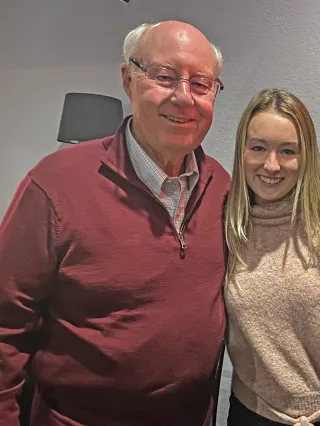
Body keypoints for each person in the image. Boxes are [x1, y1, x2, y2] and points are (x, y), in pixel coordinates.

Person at [0, 20, 230, 426]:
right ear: (128, 79)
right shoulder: (54, 185)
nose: (183, 98)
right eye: (164, 76)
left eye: (200, 83)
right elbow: (5, 327)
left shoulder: (224, 188)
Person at [224, 88, 320, 426]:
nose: (271, 165)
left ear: (305, 156)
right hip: (252, 415)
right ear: (242, 151)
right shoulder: (227, 225)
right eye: (258, 148)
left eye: (287, 151)